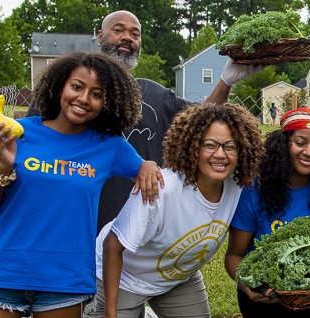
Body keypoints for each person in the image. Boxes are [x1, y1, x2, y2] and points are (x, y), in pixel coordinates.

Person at [0, 52, 164, 318]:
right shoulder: (16, 134)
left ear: (107, 102)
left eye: (96, 94)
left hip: (65, 280)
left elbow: (142, 167)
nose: (83, 98)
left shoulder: (109, 146)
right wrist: (4, 166)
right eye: (77, 87)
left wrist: (148, 165)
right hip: (5, 271)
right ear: (59, 87)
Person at [26, 10, 262, 233]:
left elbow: (204, 120)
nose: (127, 37)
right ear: (100, 36)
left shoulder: (155, 95)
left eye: (135, 33)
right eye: (118, 30)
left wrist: (225, 81)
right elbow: (30, 146)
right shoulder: (68, 96)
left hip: (144, 229)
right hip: (76, 227)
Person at [83, 103, 264, 318]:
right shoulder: (161, 190)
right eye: (209, 145)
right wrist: (110, 317)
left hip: (176, 279)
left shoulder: (238, 187)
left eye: (230, 146)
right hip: (122, 278)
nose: (220, 154)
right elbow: (113, 245)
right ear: (193, 147)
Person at [224, 107, 310, 318]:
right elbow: (234, 256)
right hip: (265, 299)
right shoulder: (254, 190)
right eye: (300, 142)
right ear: (283, 144)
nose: (309, 152)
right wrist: (248, 285)